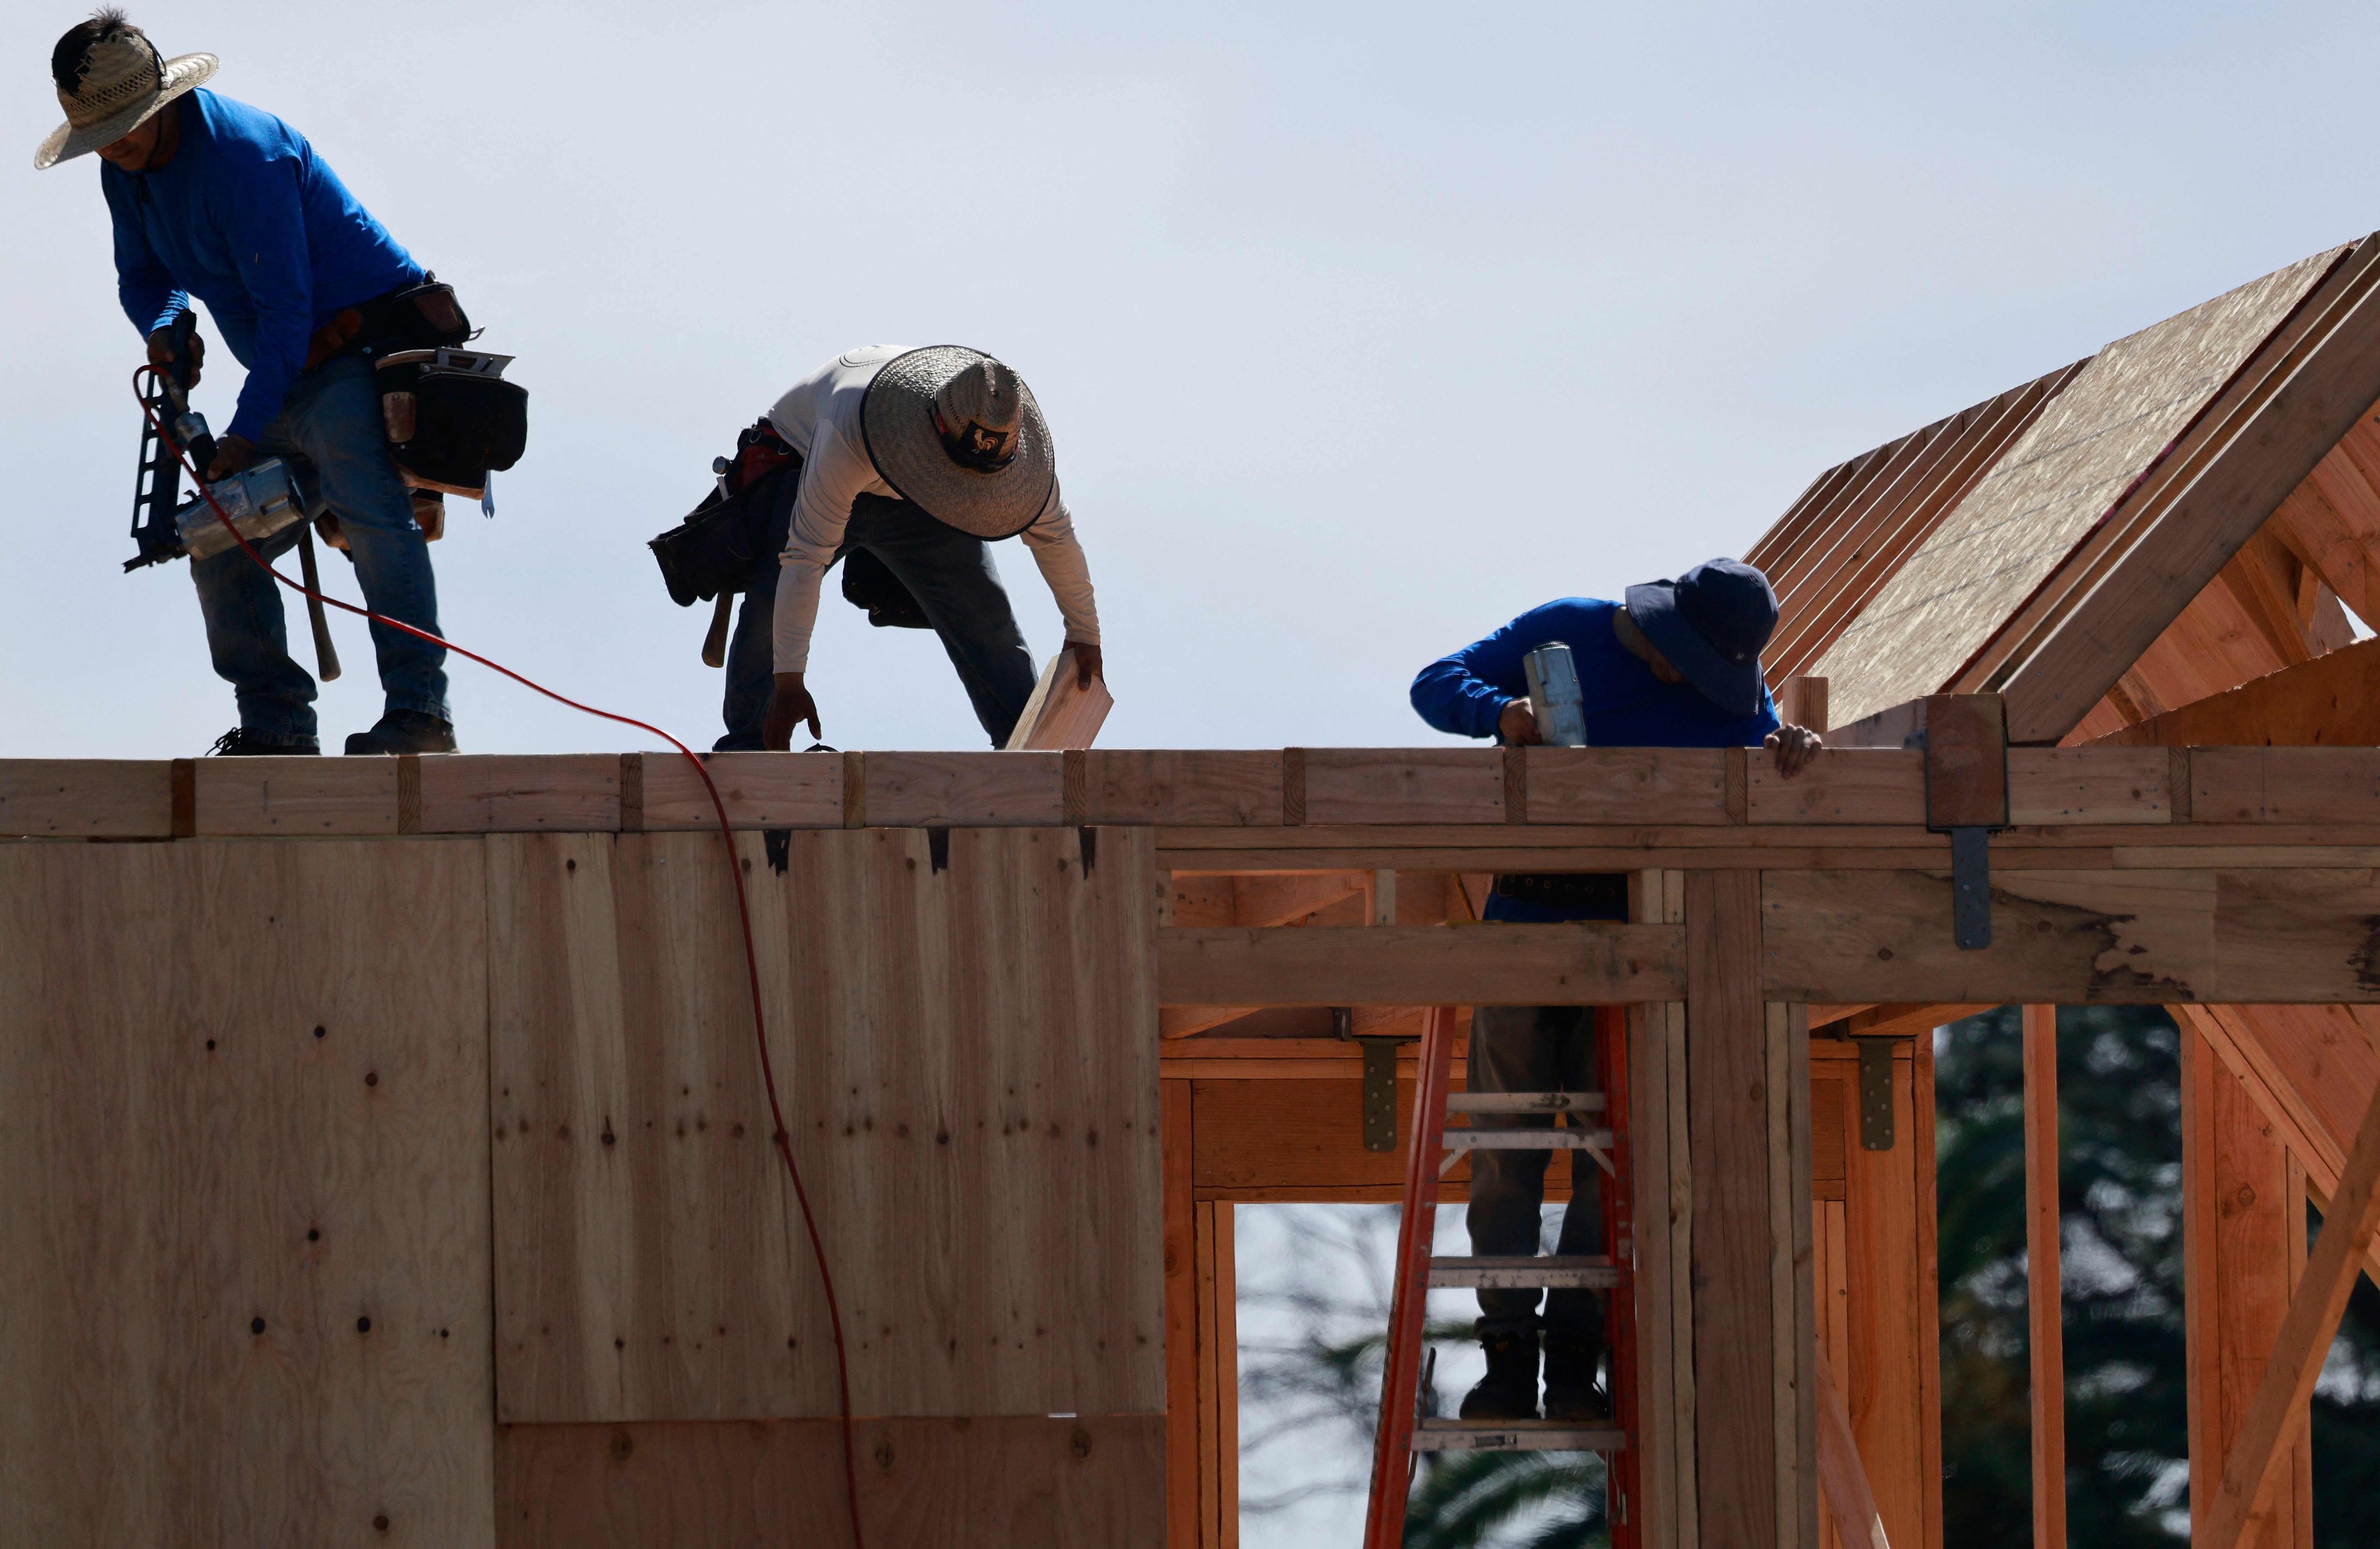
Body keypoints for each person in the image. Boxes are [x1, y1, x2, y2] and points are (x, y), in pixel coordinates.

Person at [1408, 557, 1822, 1422]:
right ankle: (1508, 1355)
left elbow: (1764, 740)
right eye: (1695, 665)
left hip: (1644, 944)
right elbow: (1432, 684)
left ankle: (1573, 1357)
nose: (1702, 686)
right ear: (1666, 633)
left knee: (1614, 1160)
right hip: (1529, 922)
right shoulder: (1567, 631)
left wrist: (1793, 749)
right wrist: (1501, 715)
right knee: (1508, 1150)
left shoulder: (1732, 689)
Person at [41, 11, 457, 756]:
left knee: (370, 511)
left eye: (125, 128)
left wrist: (241, 432)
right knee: (221, 535)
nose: (115, 147)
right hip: (286, 374)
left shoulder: (244, 159)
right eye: (101, 135)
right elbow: (143, 279)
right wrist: (169, 328)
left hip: (357, 354)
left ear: (162, 102)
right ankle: (276, 724)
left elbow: (287, 312)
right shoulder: (123, 167)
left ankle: (420, 712)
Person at [728, 346, 1103, 751]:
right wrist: (788, 683)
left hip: (921, 504)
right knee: (769, 600)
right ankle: (748, 751)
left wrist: (1085, 634)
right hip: (807, 461)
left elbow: (1055, 536)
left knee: (986, 619)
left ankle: (1033, 759)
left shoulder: (1013, 446)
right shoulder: (850, 429)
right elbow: (804, 557)